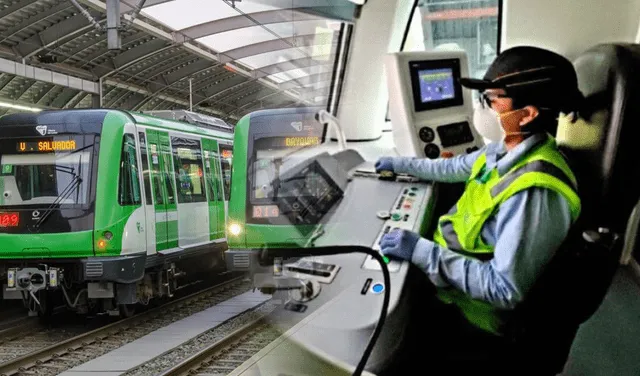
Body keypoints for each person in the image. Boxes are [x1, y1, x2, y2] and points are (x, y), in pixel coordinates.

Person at [376, 47, 586, 351]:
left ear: (527, 114)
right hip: (448, 281)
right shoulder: (504, 148)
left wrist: (421, 251)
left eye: (490, 101)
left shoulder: (535, 189)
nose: (481, 108)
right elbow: (450, 167)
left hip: (473, 316)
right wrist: (400, 165)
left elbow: (504, 289)